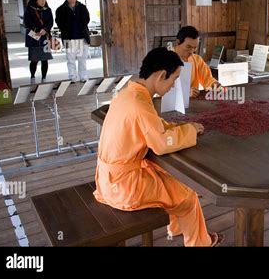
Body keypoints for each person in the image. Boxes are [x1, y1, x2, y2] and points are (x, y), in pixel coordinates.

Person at [94, 47, 224, 247]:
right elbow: (162, 144)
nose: (174, 85)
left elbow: (153, 127)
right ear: (162, 75)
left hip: (107, 178)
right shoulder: (140, 105)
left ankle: (178, 227)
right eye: (174, 79)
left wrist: (181, 128)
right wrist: (189, 130)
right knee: (187, 194)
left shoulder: (128, 94)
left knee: (175, 182)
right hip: (124, 186)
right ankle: (200, 243)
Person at [172, 26, 221, 97]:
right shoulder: (165, 60)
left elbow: (207, 79)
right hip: (171, 105)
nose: (192, 51)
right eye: (188, 47)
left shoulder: (197, 60)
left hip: (193, 102)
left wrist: (214, 84)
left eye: (195, 47)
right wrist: (185, 93)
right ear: (178, 42)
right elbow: (162, 88)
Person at [55, 0, 90, 82]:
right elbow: (59, 23)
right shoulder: (60, 9)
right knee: (70, 59)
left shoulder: (82, 7)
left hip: (82, 38)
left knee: (82, 59)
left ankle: (83, 76)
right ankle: (72, 77)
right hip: (68, 38)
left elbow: (87, 19)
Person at [24, 0, 53, 84]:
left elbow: (50, 22)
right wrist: (36, 30)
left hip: (44, 37)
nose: (43, 0)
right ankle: (32, 77)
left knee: (45, 59)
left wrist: (45, 29)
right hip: (33, 37)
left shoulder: (48, 10)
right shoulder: (29, 9)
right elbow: (27, 22)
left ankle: (44, 78)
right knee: (34, 59)